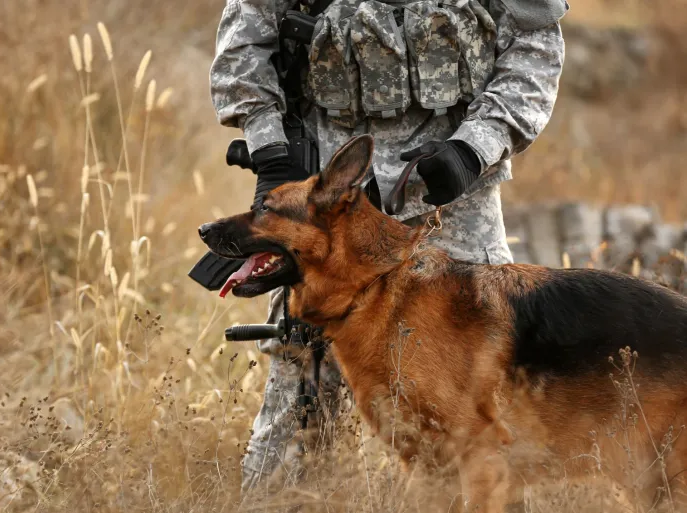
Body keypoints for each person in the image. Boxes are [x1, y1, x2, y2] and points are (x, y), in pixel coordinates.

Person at [209, 0, 567, 494]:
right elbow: (246, 34)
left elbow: (535, 42)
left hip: (454, 185)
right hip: (326, 186)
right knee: (302, 389)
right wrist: (270, 147)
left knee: (488, 405)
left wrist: (476, 145)